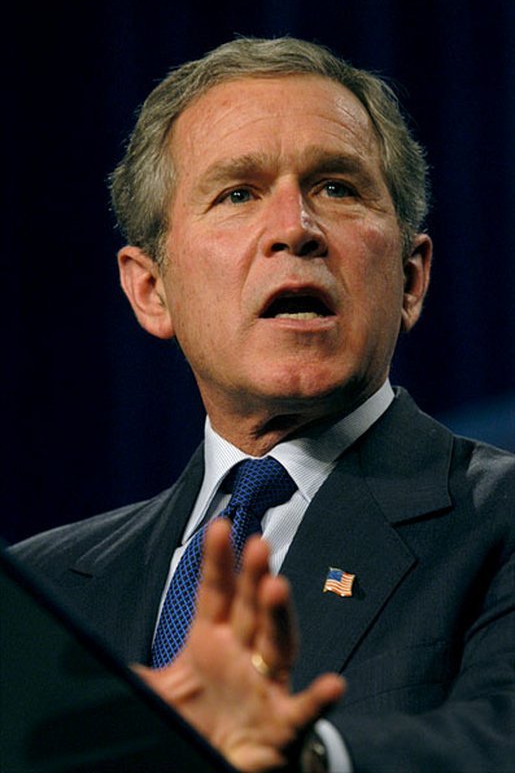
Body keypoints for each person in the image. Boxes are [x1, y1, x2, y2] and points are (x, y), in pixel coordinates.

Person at [11, 37, 515, 772]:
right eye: (237, 193)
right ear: (152, 291)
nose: (294, 229)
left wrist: (309, 756)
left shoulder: (497, 523)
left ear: (410, 280)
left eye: (336, 187)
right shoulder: (42, 593)